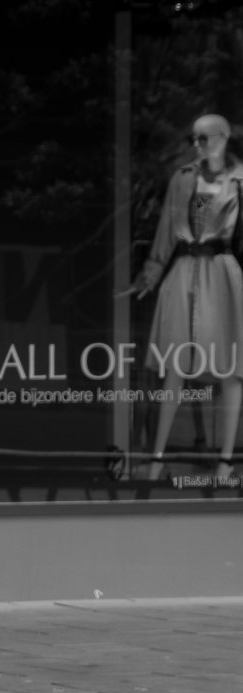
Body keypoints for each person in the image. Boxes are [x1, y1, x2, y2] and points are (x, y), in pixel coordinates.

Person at [134, 113, 243, 482]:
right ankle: (157, 459)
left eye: (205, 138)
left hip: (223, 273)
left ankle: (226, 463)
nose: (197, 145)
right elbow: (166, 229)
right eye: (194, 138)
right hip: (184, 272)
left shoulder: (241, 180)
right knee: (174, 366)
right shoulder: (183, 179)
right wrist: (150, 274)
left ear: (224, 137)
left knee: (230, 367)